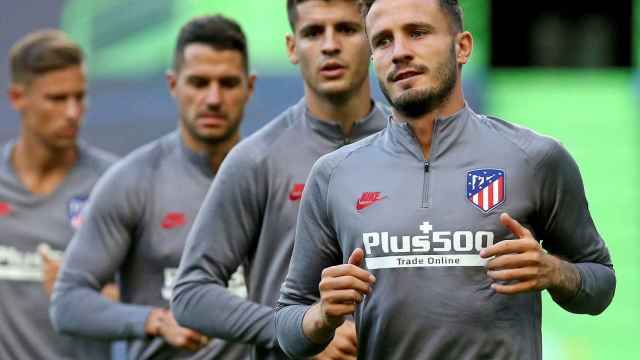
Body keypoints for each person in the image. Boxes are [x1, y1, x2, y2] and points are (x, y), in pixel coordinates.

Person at [274, 0, 616, 359]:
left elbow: (601, 283)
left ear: (462, 46)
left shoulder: (536, 158)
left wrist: (553, 272)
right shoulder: (334, 175)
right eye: (383, 41)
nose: (400, 52)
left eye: (417, 33)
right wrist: (322, 316)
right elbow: (288, 322)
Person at [170, 1, 388, 359]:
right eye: (313, 32)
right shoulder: (256, 159)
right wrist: (305, 328)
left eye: (347, 30)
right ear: (292, 47)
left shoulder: (413, 147)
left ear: (372, 40)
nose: (330, 45)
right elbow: (191, 294)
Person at [50, 15, 253, 359]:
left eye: (228, 83)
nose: (214, 98)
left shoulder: (274, 176)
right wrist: (154, 321)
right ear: (173, 84)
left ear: (249, 87)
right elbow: (68, 301)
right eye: (199, 83)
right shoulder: (133, 181)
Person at [0, 29, 118, 359]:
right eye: (57, 99)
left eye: (79, 97)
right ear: (17, 98)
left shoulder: (113, 182)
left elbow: (151, 303)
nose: (72, 112)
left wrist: (84, 300)